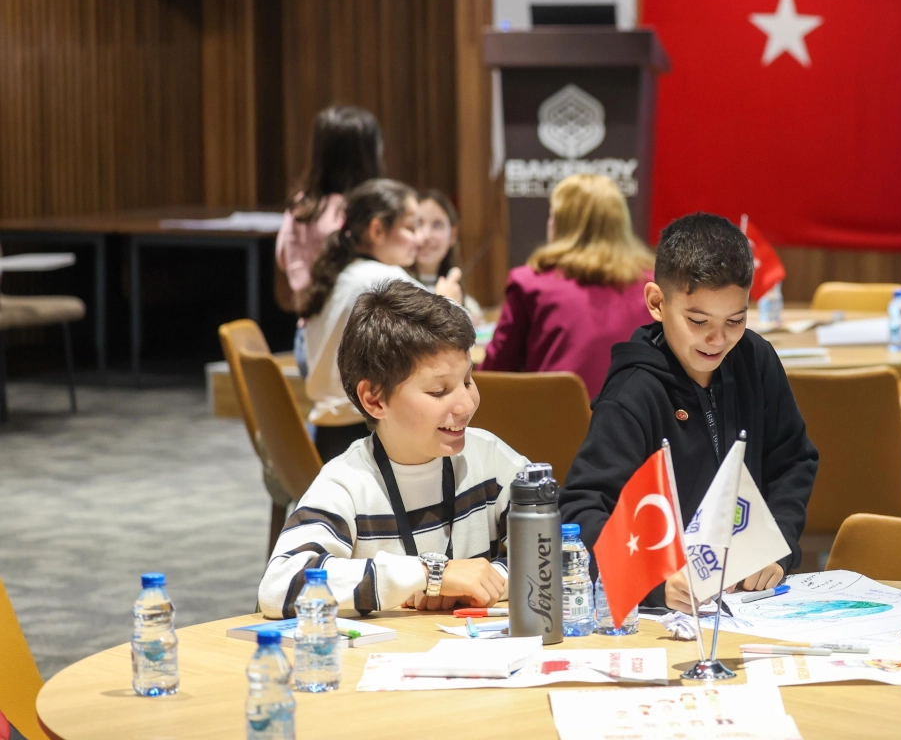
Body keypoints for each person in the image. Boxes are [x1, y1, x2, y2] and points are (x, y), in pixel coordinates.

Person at [560, 212, 818, 611]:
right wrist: (655, 581)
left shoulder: (756, 359)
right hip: (666, 617)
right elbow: (581, 510)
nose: (717, 339)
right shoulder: (633, 393)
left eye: (736, 320)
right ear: (656, 303)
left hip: (752, 601)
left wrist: (778, 543)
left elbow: (794, 460)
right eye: (698, 321)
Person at [259, 280, 524, 618]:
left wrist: (491, 580)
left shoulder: (488, 457)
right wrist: (427, 576)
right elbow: (278, 586)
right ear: (375, 399)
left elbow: (560, 546)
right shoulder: (349, 482)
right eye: (440, 391)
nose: (466, 404)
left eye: (468, 380)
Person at [301, 179, 465, 460]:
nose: (419, 238)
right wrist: (450, 300)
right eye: (411, 227)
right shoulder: (382, 280)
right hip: (365, 433)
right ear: (377, 230)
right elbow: (448, 337)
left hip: (329, 434)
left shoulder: (338, 274)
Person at [480, 173, 654, 396]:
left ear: (561, 225)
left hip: (552, 426)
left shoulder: (529, 284)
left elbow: (496, 374)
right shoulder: (654, 286)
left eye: (552, 215)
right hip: (636, 425)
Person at [273, 106, 384, 377]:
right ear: (368, 154)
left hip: (309, 338)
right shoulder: (368, 212)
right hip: (361, 342)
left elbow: (284, 261)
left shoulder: (301, 208)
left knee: (328, 411)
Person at [413, 189, 482, 319]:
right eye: (418, 223)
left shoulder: (469, 305)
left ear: (453, 235)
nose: (426, 235)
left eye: (437, 225)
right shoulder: (391, 286)